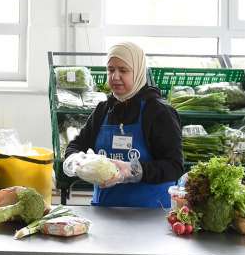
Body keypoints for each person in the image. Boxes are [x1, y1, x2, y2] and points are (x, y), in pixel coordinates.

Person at [64, 42, 183, 208]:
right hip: (105, 211)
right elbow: (76, 145)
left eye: (123, 70)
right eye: (111, 70)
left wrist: (132, 170)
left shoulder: (158, 113)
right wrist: (75, 160)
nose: (115, 76)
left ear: (139, 71)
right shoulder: (103, 110)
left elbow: (174, 166)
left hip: (148, 215)